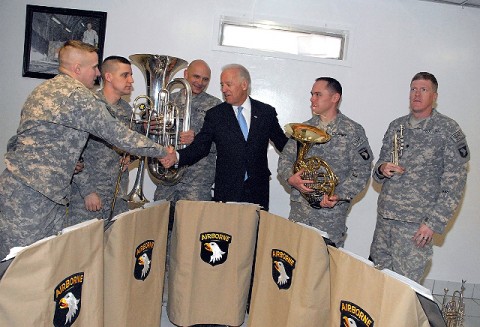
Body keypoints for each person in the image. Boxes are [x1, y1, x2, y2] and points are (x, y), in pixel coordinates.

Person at [0, 40, 176, 259]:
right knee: (19, 265)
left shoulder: (45, 89)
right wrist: (163, 152)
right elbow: (120, 136)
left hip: (36, 190)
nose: (97, 73)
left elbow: (18, 141)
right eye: (93, 67)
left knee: (39, 265)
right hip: (32, 195)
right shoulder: (77, 96)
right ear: (77, 69)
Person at [369, 72, 470, 283]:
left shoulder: (448, 130)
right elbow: (378, 170)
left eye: (423, 90)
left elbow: (454, 185)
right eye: (413, 89)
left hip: (415, 226)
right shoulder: (397, 126)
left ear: (434, 96)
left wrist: (433, 223)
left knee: (405, 288)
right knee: (378, 283)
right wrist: (382, 168)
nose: (417, 94)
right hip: (386, 220)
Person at [173, 64, 288, 211]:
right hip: (227, 190)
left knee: (254, 233)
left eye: (228, 84)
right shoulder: (216, 114)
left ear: (244, 85)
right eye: (222, 85)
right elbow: (200, 147)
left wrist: (304, 150)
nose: (223, 89)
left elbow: (283, 144)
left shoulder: (266, 113)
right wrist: (176, 157)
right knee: (225, 233)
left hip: (257, 190)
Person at [277, 77, 373, 247]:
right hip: (300, 211)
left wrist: (338, 195)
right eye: (312, 94)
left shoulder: (352, 131)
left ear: (335, 98)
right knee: (296, 264)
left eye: (318, 94)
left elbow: (362, 171)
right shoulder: (303, 128)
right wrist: (291, 178)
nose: (312, 99)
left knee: (326, 266)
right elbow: (285, 160)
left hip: (331, 215)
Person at [68, 56, 137, 224]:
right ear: (108, 77)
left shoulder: (127, 110)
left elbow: (131, 144)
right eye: (125, 75)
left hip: (117, 196)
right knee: (83, 248)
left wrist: (130, 157)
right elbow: (72, 154)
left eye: (131, 75)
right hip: (89, 198)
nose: (131, 80)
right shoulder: (90, 106)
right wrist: (88, 191)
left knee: (113, 248)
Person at [153, 60, 222, 226]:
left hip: (197, 181)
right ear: (185, 75)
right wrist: (152, 128)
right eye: (196, 77)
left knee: (192, 230)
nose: (200, 82)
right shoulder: (169, 100)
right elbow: (156, 138)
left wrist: (197, 138)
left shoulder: (216, 106)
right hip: (168, 178)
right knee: (160, 227)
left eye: (205, 79)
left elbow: (221, 145)